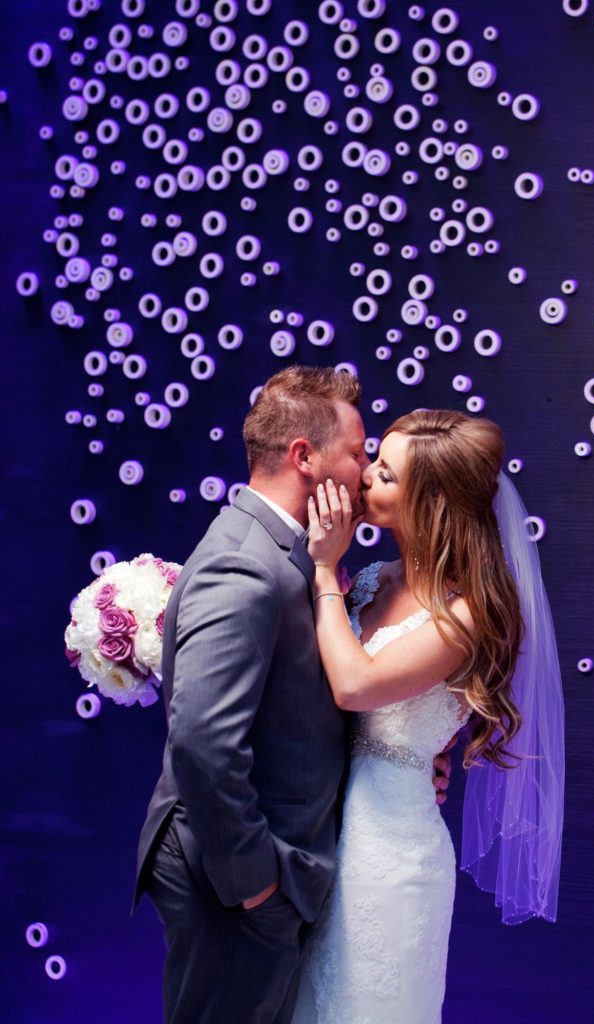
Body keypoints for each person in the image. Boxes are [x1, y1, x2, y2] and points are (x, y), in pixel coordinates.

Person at [132, 367, 452, 1024]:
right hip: (236, 877)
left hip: (302, 864)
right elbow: (202, 742)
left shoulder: (298, 551)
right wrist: (255, 885)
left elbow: (311, 696)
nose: (364, 472)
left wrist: (407, 753)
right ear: (305, 458)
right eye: (358, 452)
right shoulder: (246, 563)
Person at [292, 409, 564, 1024]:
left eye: (385, 475)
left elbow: (356, 686)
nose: (364, 479)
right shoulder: (371, 581)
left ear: (430, 505)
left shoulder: (465, 614)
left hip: (390, 852)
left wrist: (322, 569)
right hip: (319, 834)